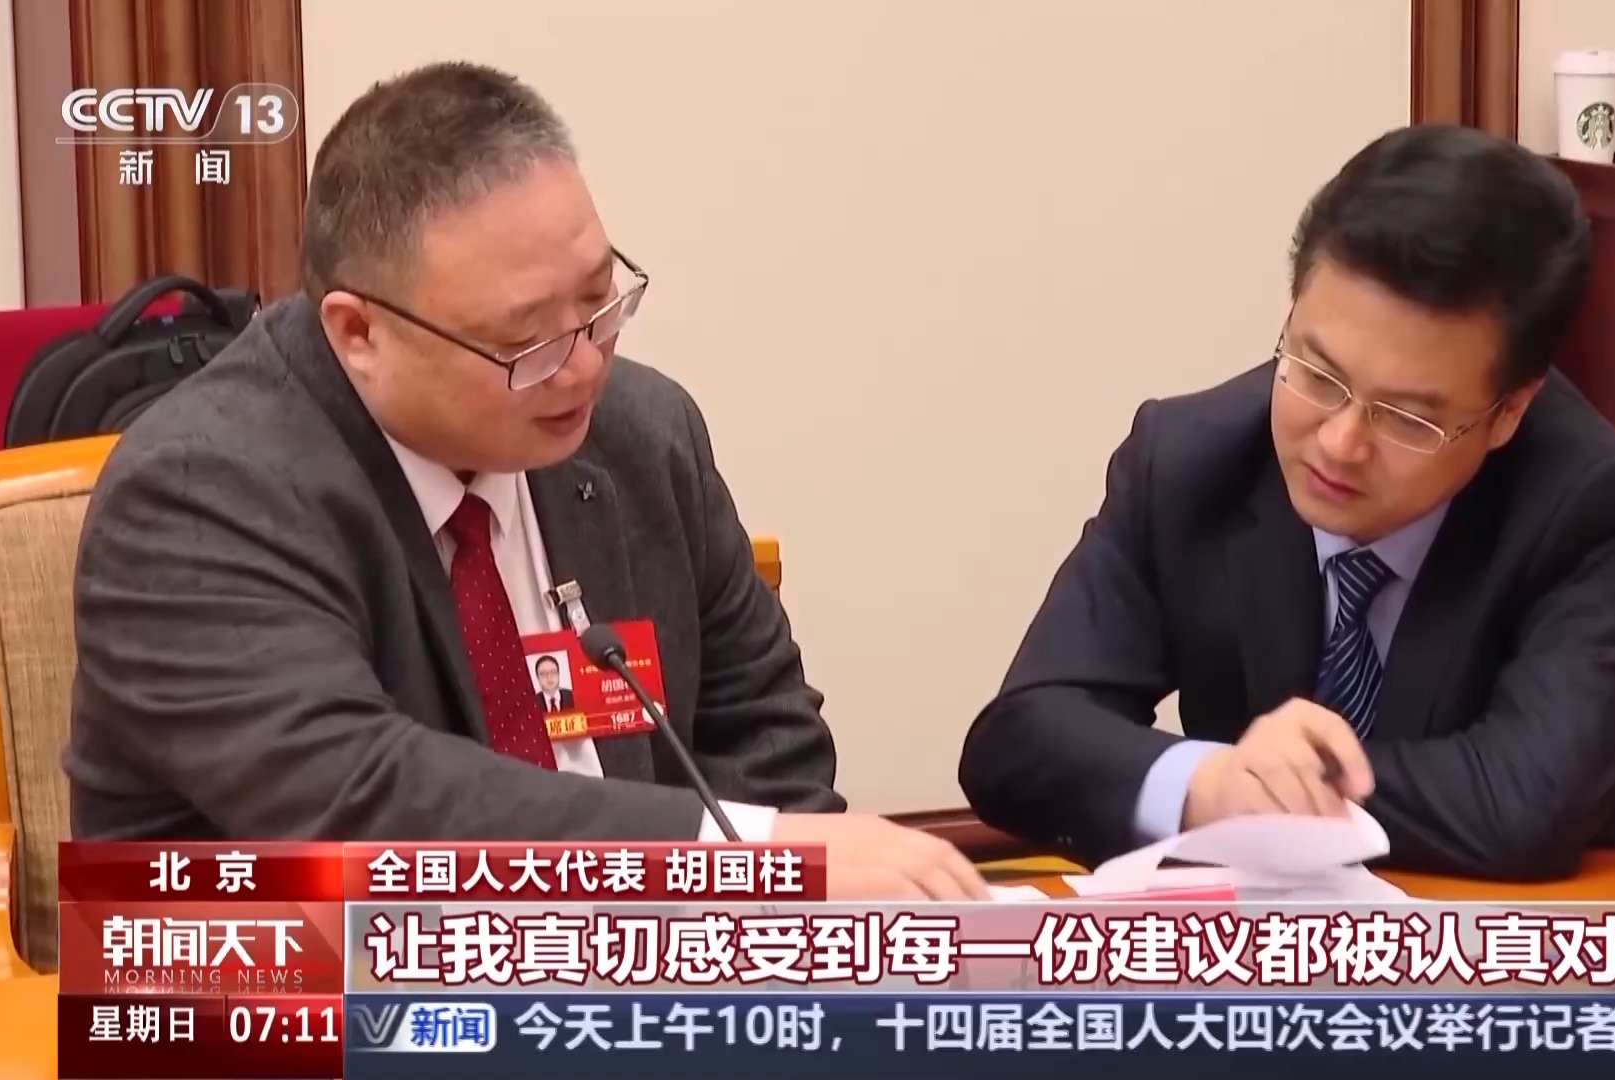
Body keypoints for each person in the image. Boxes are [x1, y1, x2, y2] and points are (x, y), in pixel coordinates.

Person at [68, 61, 987, 901]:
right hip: (299, 990)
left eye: (598, 299)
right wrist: (743, 856)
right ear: (360, 332)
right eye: (525, 340)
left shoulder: (641, 434)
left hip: (636, 985)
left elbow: (765, 740)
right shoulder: (198, 493)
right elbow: (360, 799)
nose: (584, 365)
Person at [959, 124, 1615, 882]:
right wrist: (1209, 781)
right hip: (1264, 941)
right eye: (1317, 373)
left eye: (1407, 417)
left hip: (1508, 935)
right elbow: (1019, 739)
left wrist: (1284, 789)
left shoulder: (1600, 510)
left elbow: (1526, 801)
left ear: (1508, 412)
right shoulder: (1188, 459)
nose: (1339, 443)